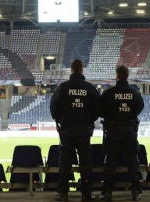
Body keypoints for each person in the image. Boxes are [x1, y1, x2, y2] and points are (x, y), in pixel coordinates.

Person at [50, 59, 100, 202]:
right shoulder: (90, 88)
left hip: (66, 130)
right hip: (84, 130)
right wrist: (88, 121)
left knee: (65, 162)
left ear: (71, 70)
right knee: (85, 163)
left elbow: (53, 109)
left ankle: (63, 194)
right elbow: (97, 110)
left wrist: (61, 120)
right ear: (82, 70)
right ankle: (86, 194)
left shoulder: (63, 87)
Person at [98, 65, 144, 201]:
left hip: (113, 130)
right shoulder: (135, 93)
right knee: (132, 161)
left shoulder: (108, 93)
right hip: (129, 130)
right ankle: (135, 191)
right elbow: (140, 107)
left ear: (117, 75)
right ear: (127, 75)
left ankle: (107, 192)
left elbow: (100, 111)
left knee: (110, 162)